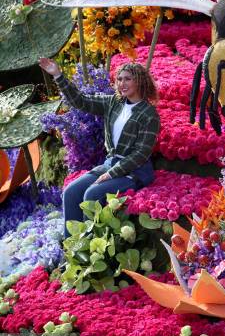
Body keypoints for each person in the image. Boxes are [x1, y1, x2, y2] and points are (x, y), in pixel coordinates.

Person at [38, 58, 160, 234]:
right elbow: (81, 101)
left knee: (92, 194)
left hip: (135, 171)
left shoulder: (149, 114)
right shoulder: (113, 102)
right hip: (111, 163)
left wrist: (111, 173)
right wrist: (58, 75)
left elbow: (141, 154)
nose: (122, 83)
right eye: (119, 79)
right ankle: (70, 249)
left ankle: (88, 250)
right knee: (72, 192)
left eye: (127, 79)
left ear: (140, 81)